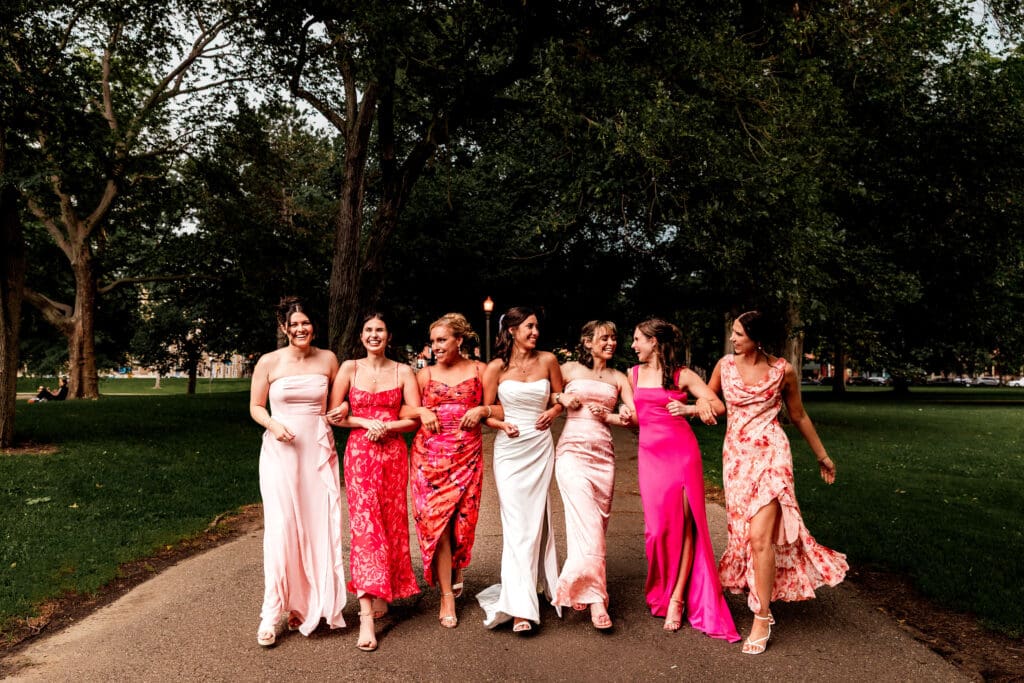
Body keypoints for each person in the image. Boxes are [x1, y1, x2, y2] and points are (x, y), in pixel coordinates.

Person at [704, 310, 847, 655]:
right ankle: (761, 598)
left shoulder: (784, 370)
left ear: (757, 338)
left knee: (760, 538)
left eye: (739, 334)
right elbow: (707, 396)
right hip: (737, 459)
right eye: (733, 333)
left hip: (772, 456)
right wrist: (704, 407)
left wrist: (822, 456)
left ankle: (762, 616)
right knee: (743, 533)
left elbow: (797, 414)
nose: (733, 339)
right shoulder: (724, 366)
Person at [629, 318, 740, 643]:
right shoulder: (633, 374)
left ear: (655, 342)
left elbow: (717, 405)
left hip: (681, 454)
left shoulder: (682, 375)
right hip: (650, 456)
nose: (633, 345)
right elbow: (640, 417)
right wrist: (625, 417)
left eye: (638, 339)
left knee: (686, 525)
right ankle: (664, 588)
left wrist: (690, 409)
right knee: (657, 531)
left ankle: (677, 598)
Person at [249, 297, 346, 647]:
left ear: (313, 326)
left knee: (318, 527)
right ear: (283, 327)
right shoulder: (269, 362)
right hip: (281, 452)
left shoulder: (328, 359)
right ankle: (271, 612)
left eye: (306, 323)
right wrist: (274, 426)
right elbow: (256, 407)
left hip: (317, 453)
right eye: (294, 324)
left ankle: (306, 606)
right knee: (282, 530)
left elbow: (338, 402)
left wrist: (345, 406)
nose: (301, 329)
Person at [327, 313, 421, 652]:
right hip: (360, 455)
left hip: (394, 456)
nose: (374, 335)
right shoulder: (349, 369)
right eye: (368, 330)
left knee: (391, 525)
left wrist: (389, 427)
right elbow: (335, 414)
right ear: (361, 336)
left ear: (389, 336)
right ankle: (366, 615)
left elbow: (414, 418)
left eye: (379, 330)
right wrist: (366, 420)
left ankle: (384, 591)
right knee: (366, 529)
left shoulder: (403, 371)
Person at [476, 306, 565, 633]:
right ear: (511, 330)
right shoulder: (496, 367)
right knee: (516, 525)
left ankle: (531, 591)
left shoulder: (549, 361)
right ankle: (520, 608)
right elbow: (487, 412)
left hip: (540, 446)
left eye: (537, 327)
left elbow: (559, 398)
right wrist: (501, 425)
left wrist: (553, 413)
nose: (535, 332)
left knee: (535, 522)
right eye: (529, 327)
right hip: (510, 450)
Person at [404, 313, 488, 629]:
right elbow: (404, 408)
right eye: (434, 341)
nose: (436, 346)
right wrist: (422, 410)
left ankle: (455, 568)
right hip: (429, 459)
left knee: (461, 524)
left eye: (442, 340)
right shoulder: (424, 376)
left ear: (459, 340)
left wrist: (483, 409)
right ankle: (446, 597)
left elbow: (498, 405)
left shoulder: (480, 371)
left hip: (467, 456)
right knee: (437, 525)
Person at [552, 321, 634, 630]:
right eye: (604, 337)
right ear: (587, 341)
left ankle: (581, 585)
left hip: (604, 457)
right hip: (572, 453)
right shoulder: (569, 369)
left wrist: (617, 415)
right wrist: (561, 399)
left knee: (594, 526)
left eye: (614, 336)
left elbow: (635, 415)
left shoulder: (618, 377)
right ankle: (599, 599)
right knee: (587, 524)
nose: (611, 342)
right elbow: (545, 395)